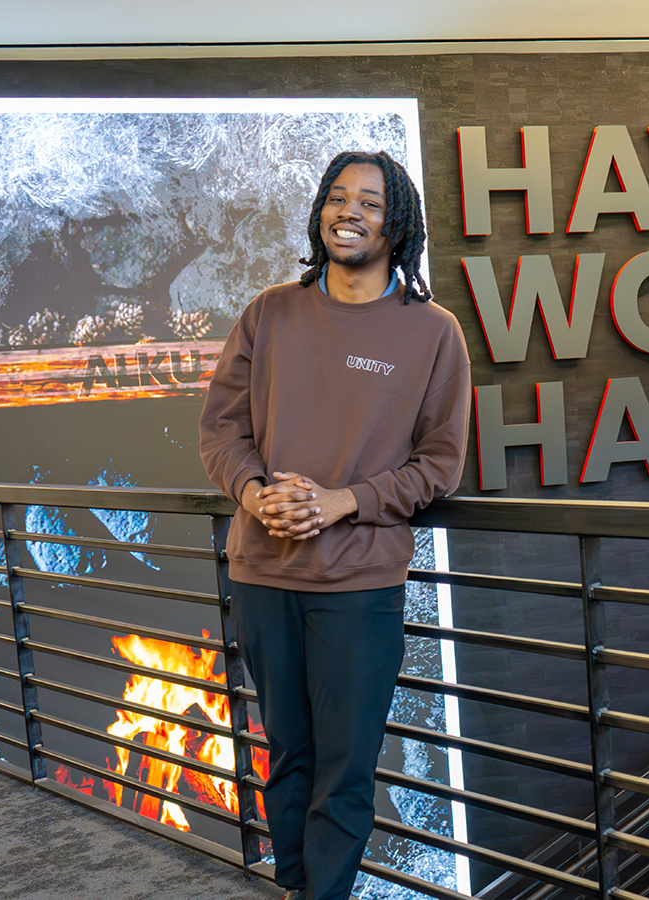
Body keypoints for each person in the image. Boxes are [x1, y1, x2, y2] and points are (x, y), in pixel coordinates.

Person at [199, 150, 471, 900]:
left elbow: (439, 465)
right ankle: (295, 888)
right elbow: (221, 432)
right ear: (320, 211)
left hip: (359, 583)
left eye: (371, 202)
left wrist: (340, 502)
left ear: (399, 224)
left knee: (344, 769)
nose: (349, 211)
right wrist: (256, 496)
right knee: (287, 755)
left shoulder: (433, 333)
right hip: (262, 573)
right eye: (337, 197)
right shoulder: (270, 313)